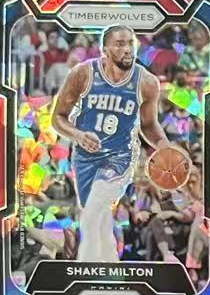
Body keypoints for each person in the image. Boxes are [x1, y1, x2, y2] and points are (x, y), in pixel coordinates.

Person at [51, 26, 172, 263]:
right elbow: (58, 118)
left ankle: (86, 266)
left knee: (93, 210)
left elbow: (148, 125)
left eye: (130, 43)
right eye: (119, 44)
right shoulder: (83, 74)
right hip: (85, 156)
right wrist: (78, 135)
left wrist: (165, 146)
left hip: (120, 156)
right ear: (105, 50)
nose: (127, 49)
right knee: (98, 214)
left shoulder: (147, 82)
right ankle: (110, 263)